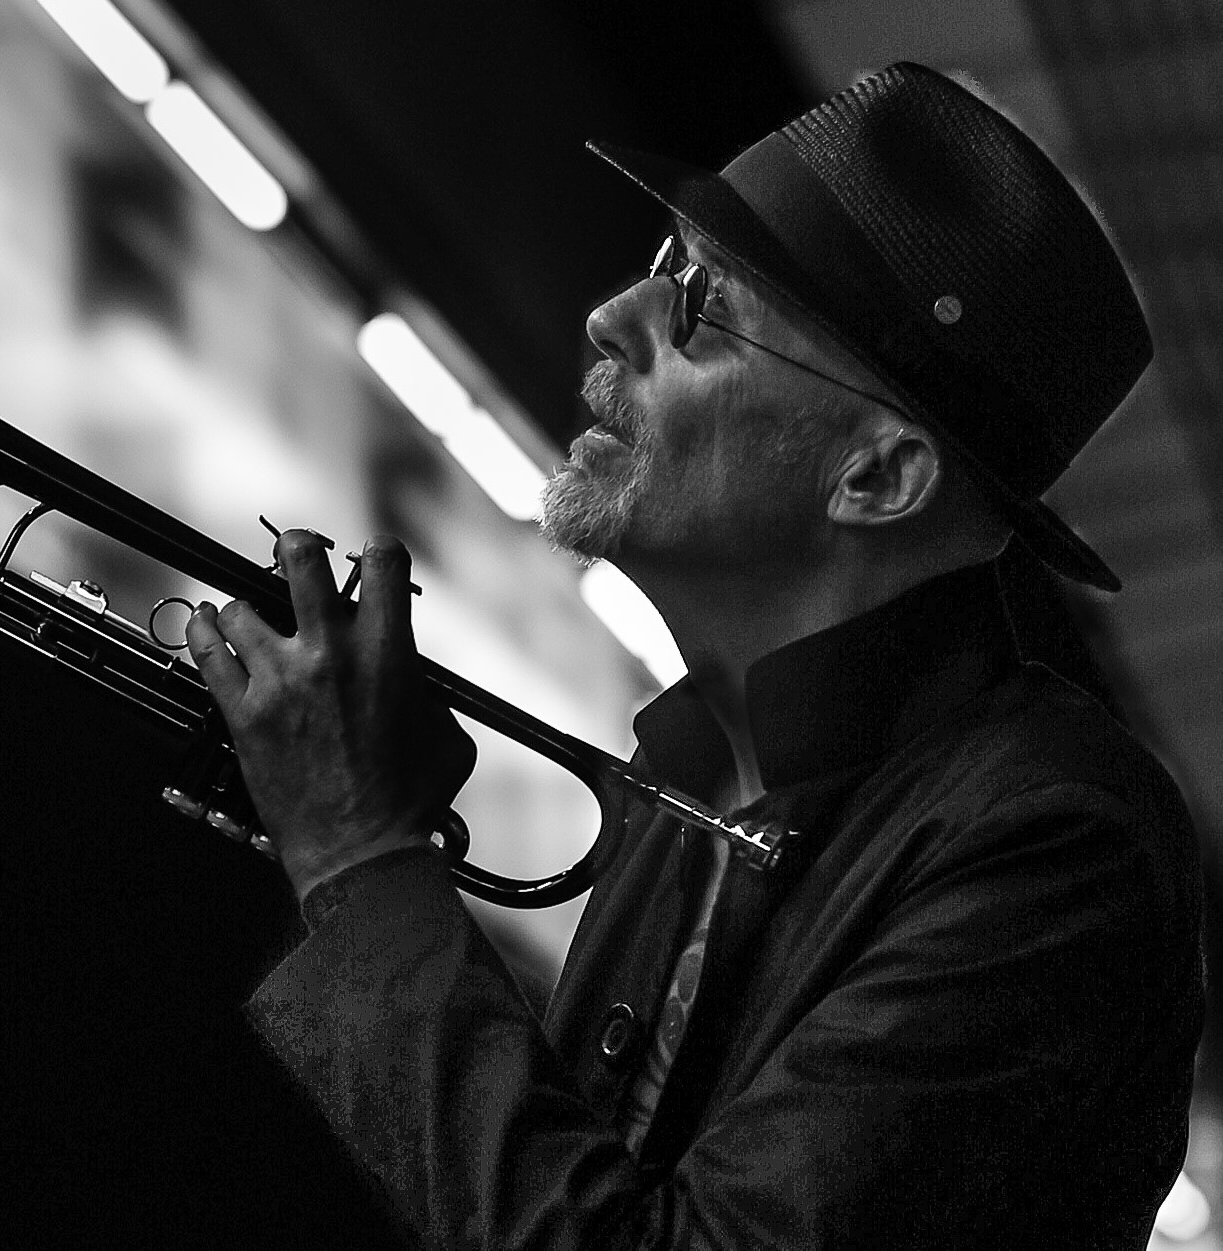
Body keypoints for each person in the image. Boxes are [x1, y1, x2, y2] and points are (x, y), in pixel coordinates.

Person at [184, 62, 1205, 1248]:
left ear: (878, 475)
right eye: (669, 262)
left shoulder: (1058, 845)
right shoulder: (696, 774)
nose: (614, 316)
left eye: (704, 305)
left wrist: (363, 858)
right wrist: (357, 855)